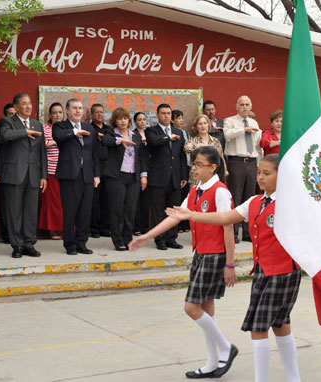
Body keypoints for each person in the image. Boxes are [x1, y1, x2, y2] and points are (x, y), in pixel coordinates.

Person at [168, 154, 302, 382]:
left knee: (259, 328)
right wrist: (192, 215)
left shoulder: (291, 203)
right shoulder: (255, 202)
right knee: (280, 325)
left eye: (267, 173)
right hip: (262, 271)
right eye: (259, 172)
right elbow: (224, 217)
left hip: (283, 272)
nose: (260, 177)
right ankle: (294, 379)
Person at [129, 146, 238, 379]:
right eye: (193, 164)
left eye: (199, 164)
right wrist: (147, 236)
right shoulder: (196, 190)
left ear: (213, 167)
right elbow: (176, 217)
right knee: (207, 309)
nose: (194, 168)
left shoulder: (220, 191)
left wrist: (230, 264)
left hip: (215, 255)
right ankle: (212, 363)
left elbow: (228, 227)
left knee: (191, 308)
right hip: (201, 253)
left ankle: (226, 348)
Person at [0, 93, 47, 259]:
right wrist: (24, 132)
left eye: (30, 104)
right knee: (14, 212)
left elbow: (42, 151)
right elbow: (5, 135)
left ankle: (29, 244)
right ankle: (17, 245)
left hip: (33, 175)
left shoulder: (37, 124)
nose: (28, 107)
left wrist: (44, 175)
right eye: (24, 104)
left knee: (30, 212)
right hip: (14, 174)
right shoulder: (8, 121)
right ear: (16, 107)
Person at [52, 99, 100, 255]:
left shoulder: (89, 128)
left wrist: (96, 174)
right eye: (74, 108)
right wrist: (74, 132)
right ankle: (70, 245)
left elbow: (94, 154)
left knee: (85, 212)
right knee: (70, 211)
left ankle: (82, 243)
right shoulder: (60, 126)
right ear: (67, 110)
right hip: (69, 175)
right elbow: (58, 137)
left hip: (87, 175)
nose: (78, 111)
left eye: (80, 108)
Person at [102, 107, 148, 251]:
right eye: (119, 118)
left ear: (129, 120)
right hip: (116, 177)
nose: (123, 121)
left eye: (125, 118)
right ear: (115, 121)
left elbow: (142, 157)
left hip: (133, 176)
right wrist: (120, 140)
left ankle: (128, 239)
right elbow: (106, 141)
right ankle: (118, 240)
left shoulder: (135, 135)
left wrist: (143, 176)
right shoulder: (110, 133)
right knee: (117, 210)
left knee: (130, 209)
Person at [145, 103, 189, 250]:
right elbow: (153, 142)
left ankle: (171, 238)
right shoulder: (152, 130)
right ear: (157, 115)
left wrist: (184, 175)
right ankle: (160, 240)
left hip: (175, 178)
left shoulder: (179, 132)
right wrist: (168, 137)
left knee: (174, 211)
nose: (166, 116)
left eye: (168, 113)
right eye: (163, 113)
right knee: (158, 212)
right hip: (158, 178)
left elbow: (182, 156)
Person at [224, 95, 262, 243]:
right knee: (236, 197)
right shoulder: (230, 121)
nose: (245, 107)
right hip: (236, 162)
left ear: (251, 106)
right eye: (242, 104)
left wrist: (259, 164)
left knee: (250, 199)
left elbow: (258, 144)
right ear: (237, 107)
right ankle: (233, 233)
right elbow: (227, 135)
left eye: (247, 104)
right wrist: (243, 129)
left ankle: (247, 233)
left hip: (252, 162)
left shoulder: (254, 122)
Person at [38, 102, 64, 240]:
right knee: (51, 202)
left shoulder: (67, 127)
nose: (58, 115)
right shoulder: (44, 129)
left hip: (66, 171)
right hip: (50, 170)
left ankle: (64, 229)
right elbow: (41, 145)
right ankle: (53, 229)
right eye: (55, 113)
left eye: (60, 112)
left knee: (64, 202)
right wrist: (56, 141)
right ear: (50, 115)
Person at [184, 114, 226, 188]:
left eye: (205, 123)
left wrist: (224, 172)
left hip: (212, 176)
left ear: (208, 125)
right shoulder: (192, 141)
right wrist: (199, 148)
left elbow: (221, 157)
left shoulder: (215, 141)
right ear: (196, 127)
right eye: (200, 124)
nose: (203, 126)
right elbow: (186, 148)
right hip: (196, 177)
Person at [89, 103, 111, 238]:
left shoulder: (109, 130)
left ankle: (105, 227)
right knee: (94, 200)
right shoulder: (89, 129)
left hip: (108, 167)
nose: (99, 115)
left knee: (107, 199)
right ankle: (94, 229)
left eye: (101, 112)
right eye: (96, 112)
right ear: (92, 115)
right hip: (93, 167)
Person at [0, 103, 16, 244]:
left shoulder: (26, 128)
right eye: (10, 114)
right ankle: (7, 235)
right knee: (6, 206)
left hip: (21, 173)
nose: (13, 117)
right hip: (4, 173)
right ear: (5, 116)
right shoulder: (0, 130)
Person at [172, 109, 191, 233]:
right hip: (177, 168)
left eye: (182, 118)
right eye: (178, 118)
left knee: (186, 197)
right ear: (173, 120)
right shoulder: (173, 134)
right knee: (177, 198)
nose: (181, 120)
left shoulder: (186, 133)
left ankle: (185, 224)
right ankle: (178, 225)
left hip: (188, 166)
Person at [133, 111, 150, 235]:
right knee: (136, 200)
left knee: (146, 201)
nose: (142, 122)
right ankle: (136, 226)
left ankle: (145, 226)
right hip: (137, 169)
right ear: (135, 122)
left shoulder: (150, 133)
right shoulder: (133, 134)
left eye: (144, 119)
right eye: (139, 119)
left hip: (151, 169)